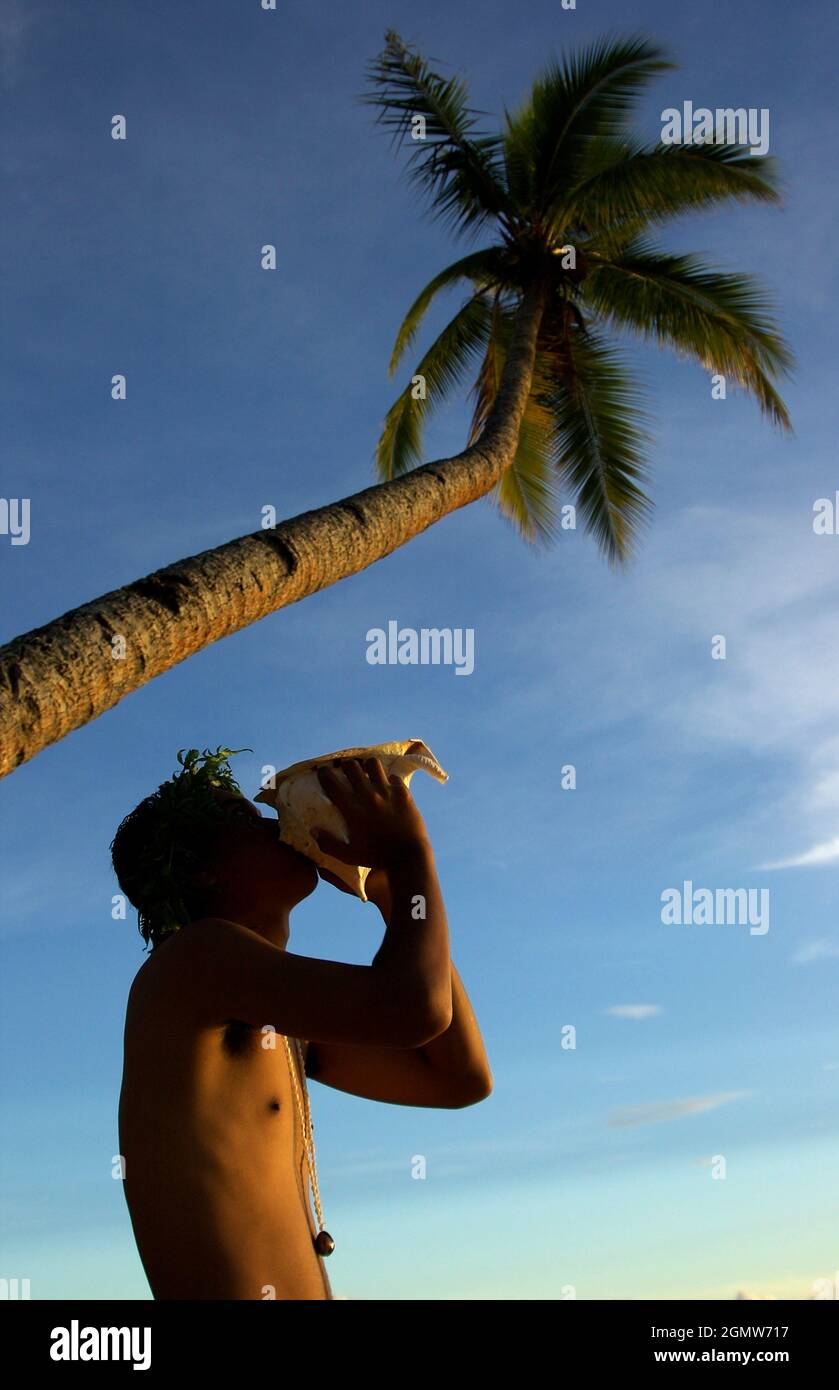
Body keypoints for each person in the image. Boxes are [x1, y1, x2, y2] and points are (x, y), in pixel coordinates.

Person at [112, 746, 492, 1300]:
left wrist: (387, 890)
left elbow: (459, 1079)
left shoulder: (279, 1031)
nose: (271, 821)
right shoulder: (193, 962)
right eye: (243, 819)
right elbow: (415, 1008)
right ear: (203, 870)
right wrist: (410, 852)